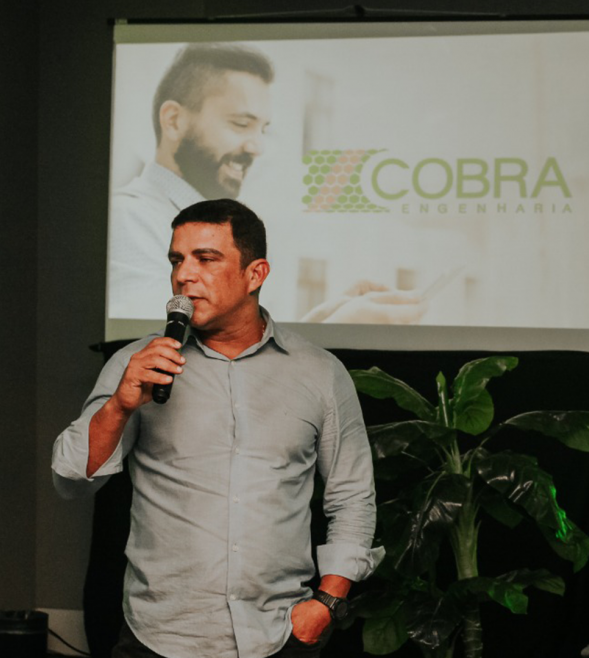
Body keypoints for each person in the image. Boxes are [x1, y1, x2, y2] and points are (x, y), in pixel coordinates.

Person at [54, 199, 383, 658]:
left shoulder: (320, 373)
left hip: (278, 637)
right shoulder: (136, 365)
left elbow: (352, 497)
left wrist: (326, 603)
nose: (184, 275)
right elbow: (71, 479)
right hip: (159, 638)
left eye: (206, 259)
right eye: (177, 260)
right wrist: (119, 404)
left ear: (255, 274)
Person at [108, 43, 275, 317]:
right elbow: (155, 330)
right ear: (174, 121)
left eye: (263, 130)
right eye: (241, 124)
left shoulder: (231, 225)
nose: (257, 147)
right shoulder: (128, 218)